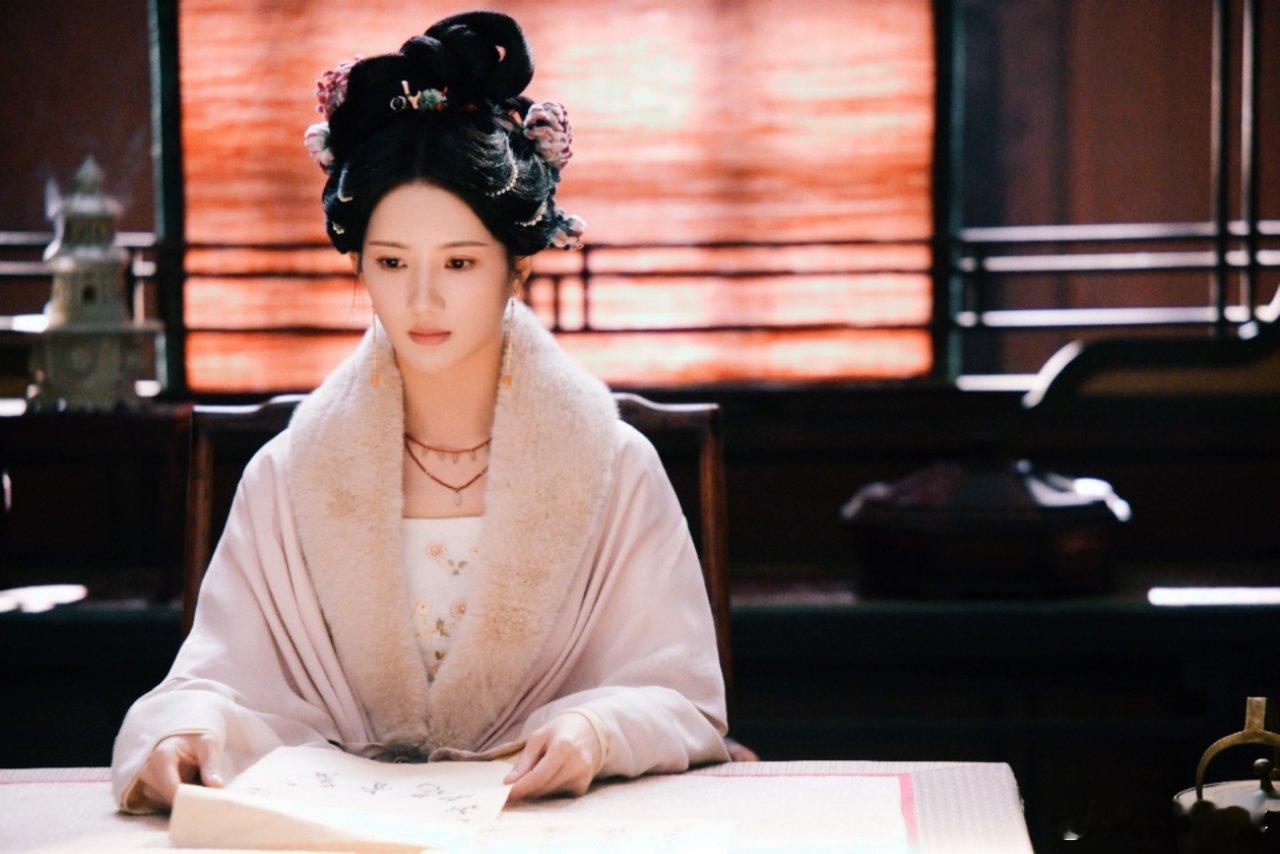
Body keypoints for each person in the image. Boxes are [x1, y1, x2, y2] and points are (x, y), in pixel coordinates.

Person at [110, 10, 734, 815]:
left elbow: (678, 693)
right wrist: (183, 733)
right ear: (359, 263)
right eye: (392, 262)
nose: (423, 299)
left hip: (545, 823)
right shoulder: (292, 473)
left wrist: (597, 729)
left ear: (518, 266)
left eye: (461, 263)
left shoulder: (611, 466)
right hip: (337, 823)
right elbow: (217, 680)